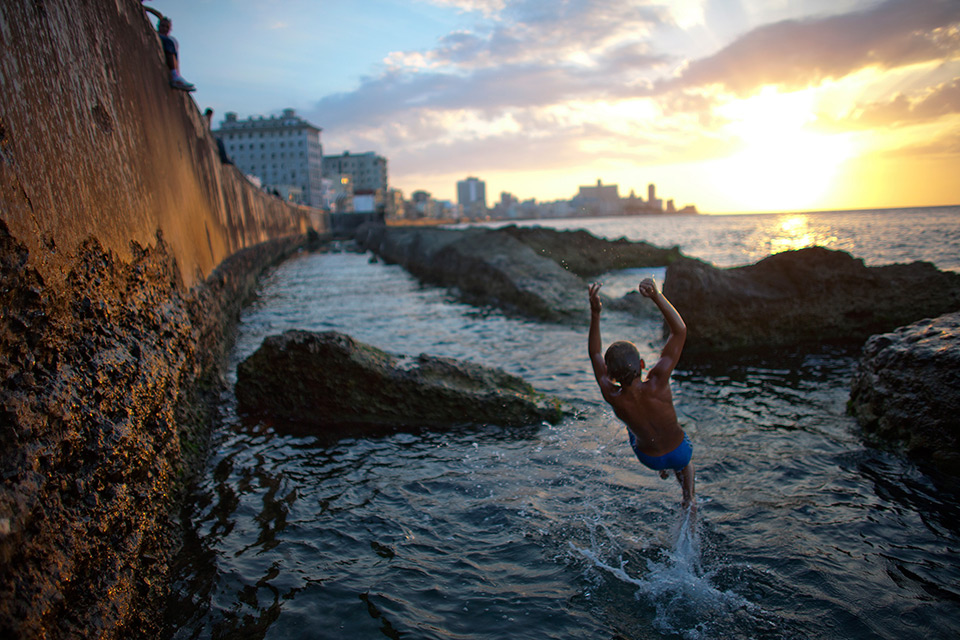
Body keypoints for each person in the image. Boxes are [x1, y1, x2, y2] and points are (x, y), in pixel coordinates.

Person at [588, 278, 695, 512]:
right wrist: (656, 295)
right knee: (684, 460)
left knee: (632, 427)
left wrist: (596, 313)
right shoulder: (658, 380)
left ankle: (663, 470)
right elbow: (679, 331)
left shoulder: (611, 393)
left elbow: (594, 352)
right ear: (643, 364)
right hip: (679, 451)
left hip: (649, 459)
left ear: (611, 375)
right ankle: (689, 499)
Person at [156, 16, 195, 92]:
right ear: (158, 26)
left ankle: (177, 76)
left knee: (173, 42)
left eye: (167, 27)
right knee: (170, 42)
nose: (165, 29)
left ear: (170, 29)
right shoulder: (159, 36)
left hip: (170, 48)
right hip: (165, 42)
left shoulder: (171, 40)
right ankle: (175, 77)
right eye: (163, 26)